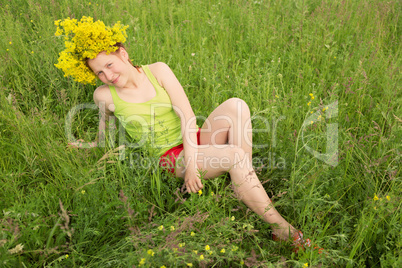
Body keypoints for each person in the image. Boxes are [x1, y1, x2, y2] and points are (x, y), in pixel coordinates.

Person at [55, 16, 314, 252]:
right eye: (99, 72)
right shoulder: (103, 95)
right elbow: (106, 127)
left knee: (236, 105)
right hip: (169, 156)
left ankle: (242, 182)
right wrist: (89, 145)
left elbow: (188, 118)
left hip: (195, 138)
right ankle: (283, 230)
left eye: (109, 65)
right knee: (234, 155)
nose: (108, 75)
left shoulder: (158, 71)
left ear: (123, 54)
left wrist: (194, 164)